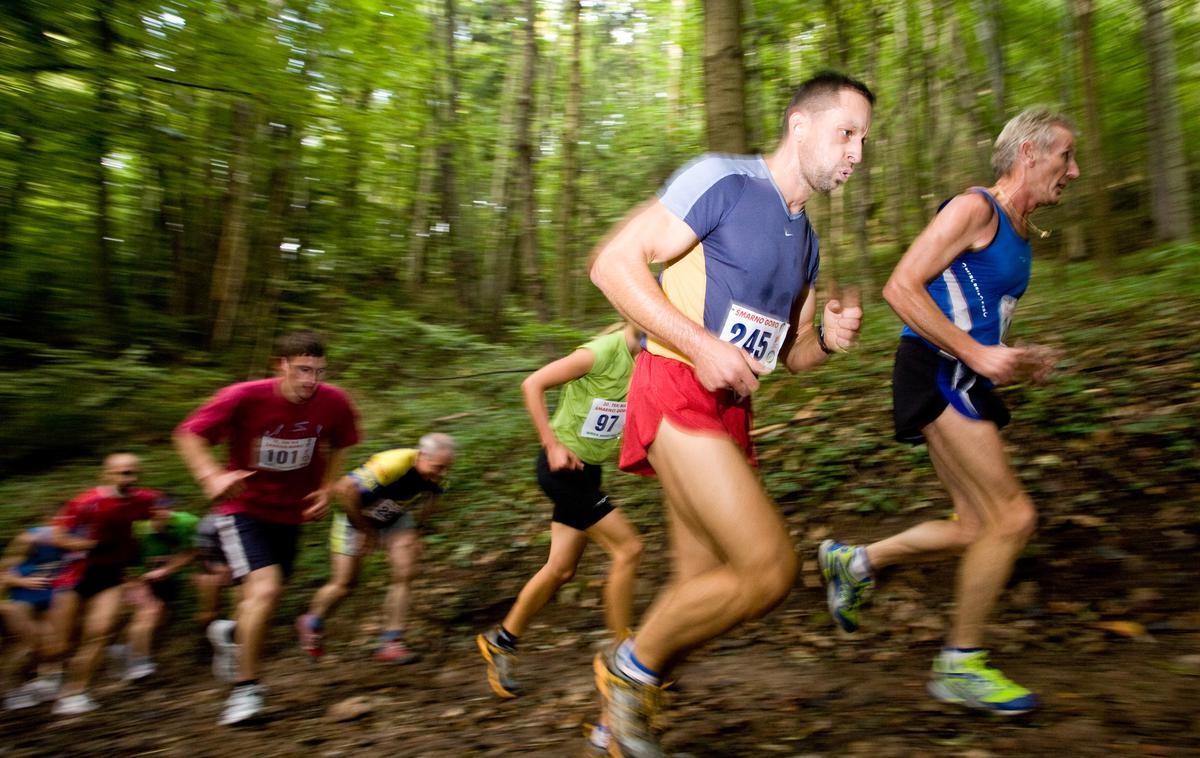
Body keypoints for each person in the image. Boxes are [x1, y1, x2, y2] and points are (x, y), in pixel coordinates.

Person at [587, 71, 872, 756]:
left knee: (698, 590)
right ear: (800, 125)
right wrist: (699, 343)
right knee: (771, 569)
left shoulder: (806, 241)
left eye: (864, 140)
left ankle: (617, 737)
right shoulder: (723, 180)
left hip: (729, 410)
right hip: (674, 382)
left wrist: (826, 342)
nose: (857, 153)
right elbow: (612, 264)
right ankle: (624, 675)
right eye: (847, 133)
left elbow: (788, 354)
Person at [819, 107, 1079, 715]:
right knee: (1013, 518)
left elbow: (976, 309)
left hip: (959, 372)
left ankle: (854, 561)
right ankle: (960, 665)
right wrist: (978, 356)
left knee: (974, 526)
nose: (1074, 170)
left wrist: (1011, 356)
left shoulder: (1014, 227)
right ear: (1029, 155)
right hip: (939, 370)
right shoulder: (975, 209)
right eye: (1065, 156)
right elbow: (900, 286)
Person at [175, 330, 360, 725]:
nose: (311, 380)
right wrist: (210, 476)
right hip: (243, 509)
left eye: (319, 371)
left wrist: (327, 486)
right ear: (281, 366)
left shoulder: (334, 402)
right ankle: (247, 691)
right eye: (303, 370)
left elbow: (342, 442)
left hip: (291, 514)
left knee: (257, 601)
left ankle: (230, 635)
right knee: (266, 589)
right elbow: (188, 433)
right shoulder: (244, 396)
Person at [477, 323, 644, 703]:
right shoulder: (600, 352)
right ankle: (626, 660)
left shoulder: (648, 358)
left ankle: (501, 642)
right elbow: (532, 384)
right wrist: (550, 444)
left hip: (588, 471)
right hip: (562, 468)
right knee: (629, 549)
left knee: (561, 569)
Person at [296, 433, 456, 663]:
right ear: (422, 456)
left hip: (393, 516)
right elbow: (344, 489)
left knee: (405, 572)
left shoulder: (438, 472)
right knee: (344, 584)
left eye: (446, 468)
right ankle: (312, 621)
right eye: (438, 467)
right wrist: (366, 532)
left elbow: (433, 499)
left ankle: (392, 642)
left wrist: (419, 531)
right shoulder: (393, 463)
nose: (442, 474)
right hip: (354, 519)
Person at [44, 453, 166, 716]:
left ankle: (74, 692)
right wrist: (90, 545)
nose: (130, 478)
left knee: (100, 632)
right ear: (107, 474)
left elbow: (162, 506)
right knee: (60, 645)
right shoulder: (86, 502)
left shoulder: (143, 498)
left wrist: (158, 524)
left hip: (110, 575)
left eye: (133, 472)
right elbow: (58, 536)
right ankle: (48, 675)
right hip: (76, 574)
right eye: (123, 473)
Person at [118, 500, 200, 681]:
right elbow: (120, 558)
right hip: (133, 575)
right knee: (149, 611)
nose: (161, 516)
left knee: (162, 617)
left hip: (166, 578)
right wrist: (134, 581)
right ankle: (139, 661)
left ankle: (125, 651)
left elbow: (194, 550)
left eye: (166, 510)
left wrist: (167, 569)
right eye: (155, 512)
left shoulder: (186, 522)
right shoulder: (137, 530)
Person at [1, 524, 67, 710]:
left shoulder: (75, 541)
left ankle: (41, 682)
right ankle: (11, 689)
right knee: (25, 643)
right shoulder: (28, 539)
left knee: (51, 643)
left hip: (53, 598)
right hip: (23, 599)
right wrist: (22, 581)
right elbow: (3, 574)